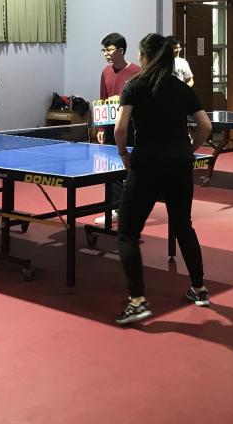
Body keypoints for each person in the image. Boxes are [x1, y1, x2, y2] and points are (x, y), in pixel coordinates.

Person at [113, 33, 213, 325]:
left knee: (128, 231)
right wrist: (188, 150)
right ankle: (199, 288)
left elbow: (121, 128)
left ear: (145, 56)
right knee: (183, 225)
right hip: (179, 165)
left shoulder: (135, 86)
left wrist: (123, 154)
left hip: (147, 164)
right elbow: (205, 126)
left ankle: (137, 301)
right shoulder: (181, 88)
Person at [94, 32, 141, 225]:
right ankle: (115, 208)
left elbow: (143, 100)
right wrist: (101, 128)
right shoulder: (105, 72)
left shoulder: (137, 72)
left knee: (130, 168)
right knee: (110, 169)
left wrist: (121, 100)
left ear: (121, 50)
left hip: (131, 127)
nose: (105, 53)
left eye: (109, 49)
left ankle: (129, 207)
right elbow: (103, 99)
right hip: (110, 127)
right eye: (103, 50)